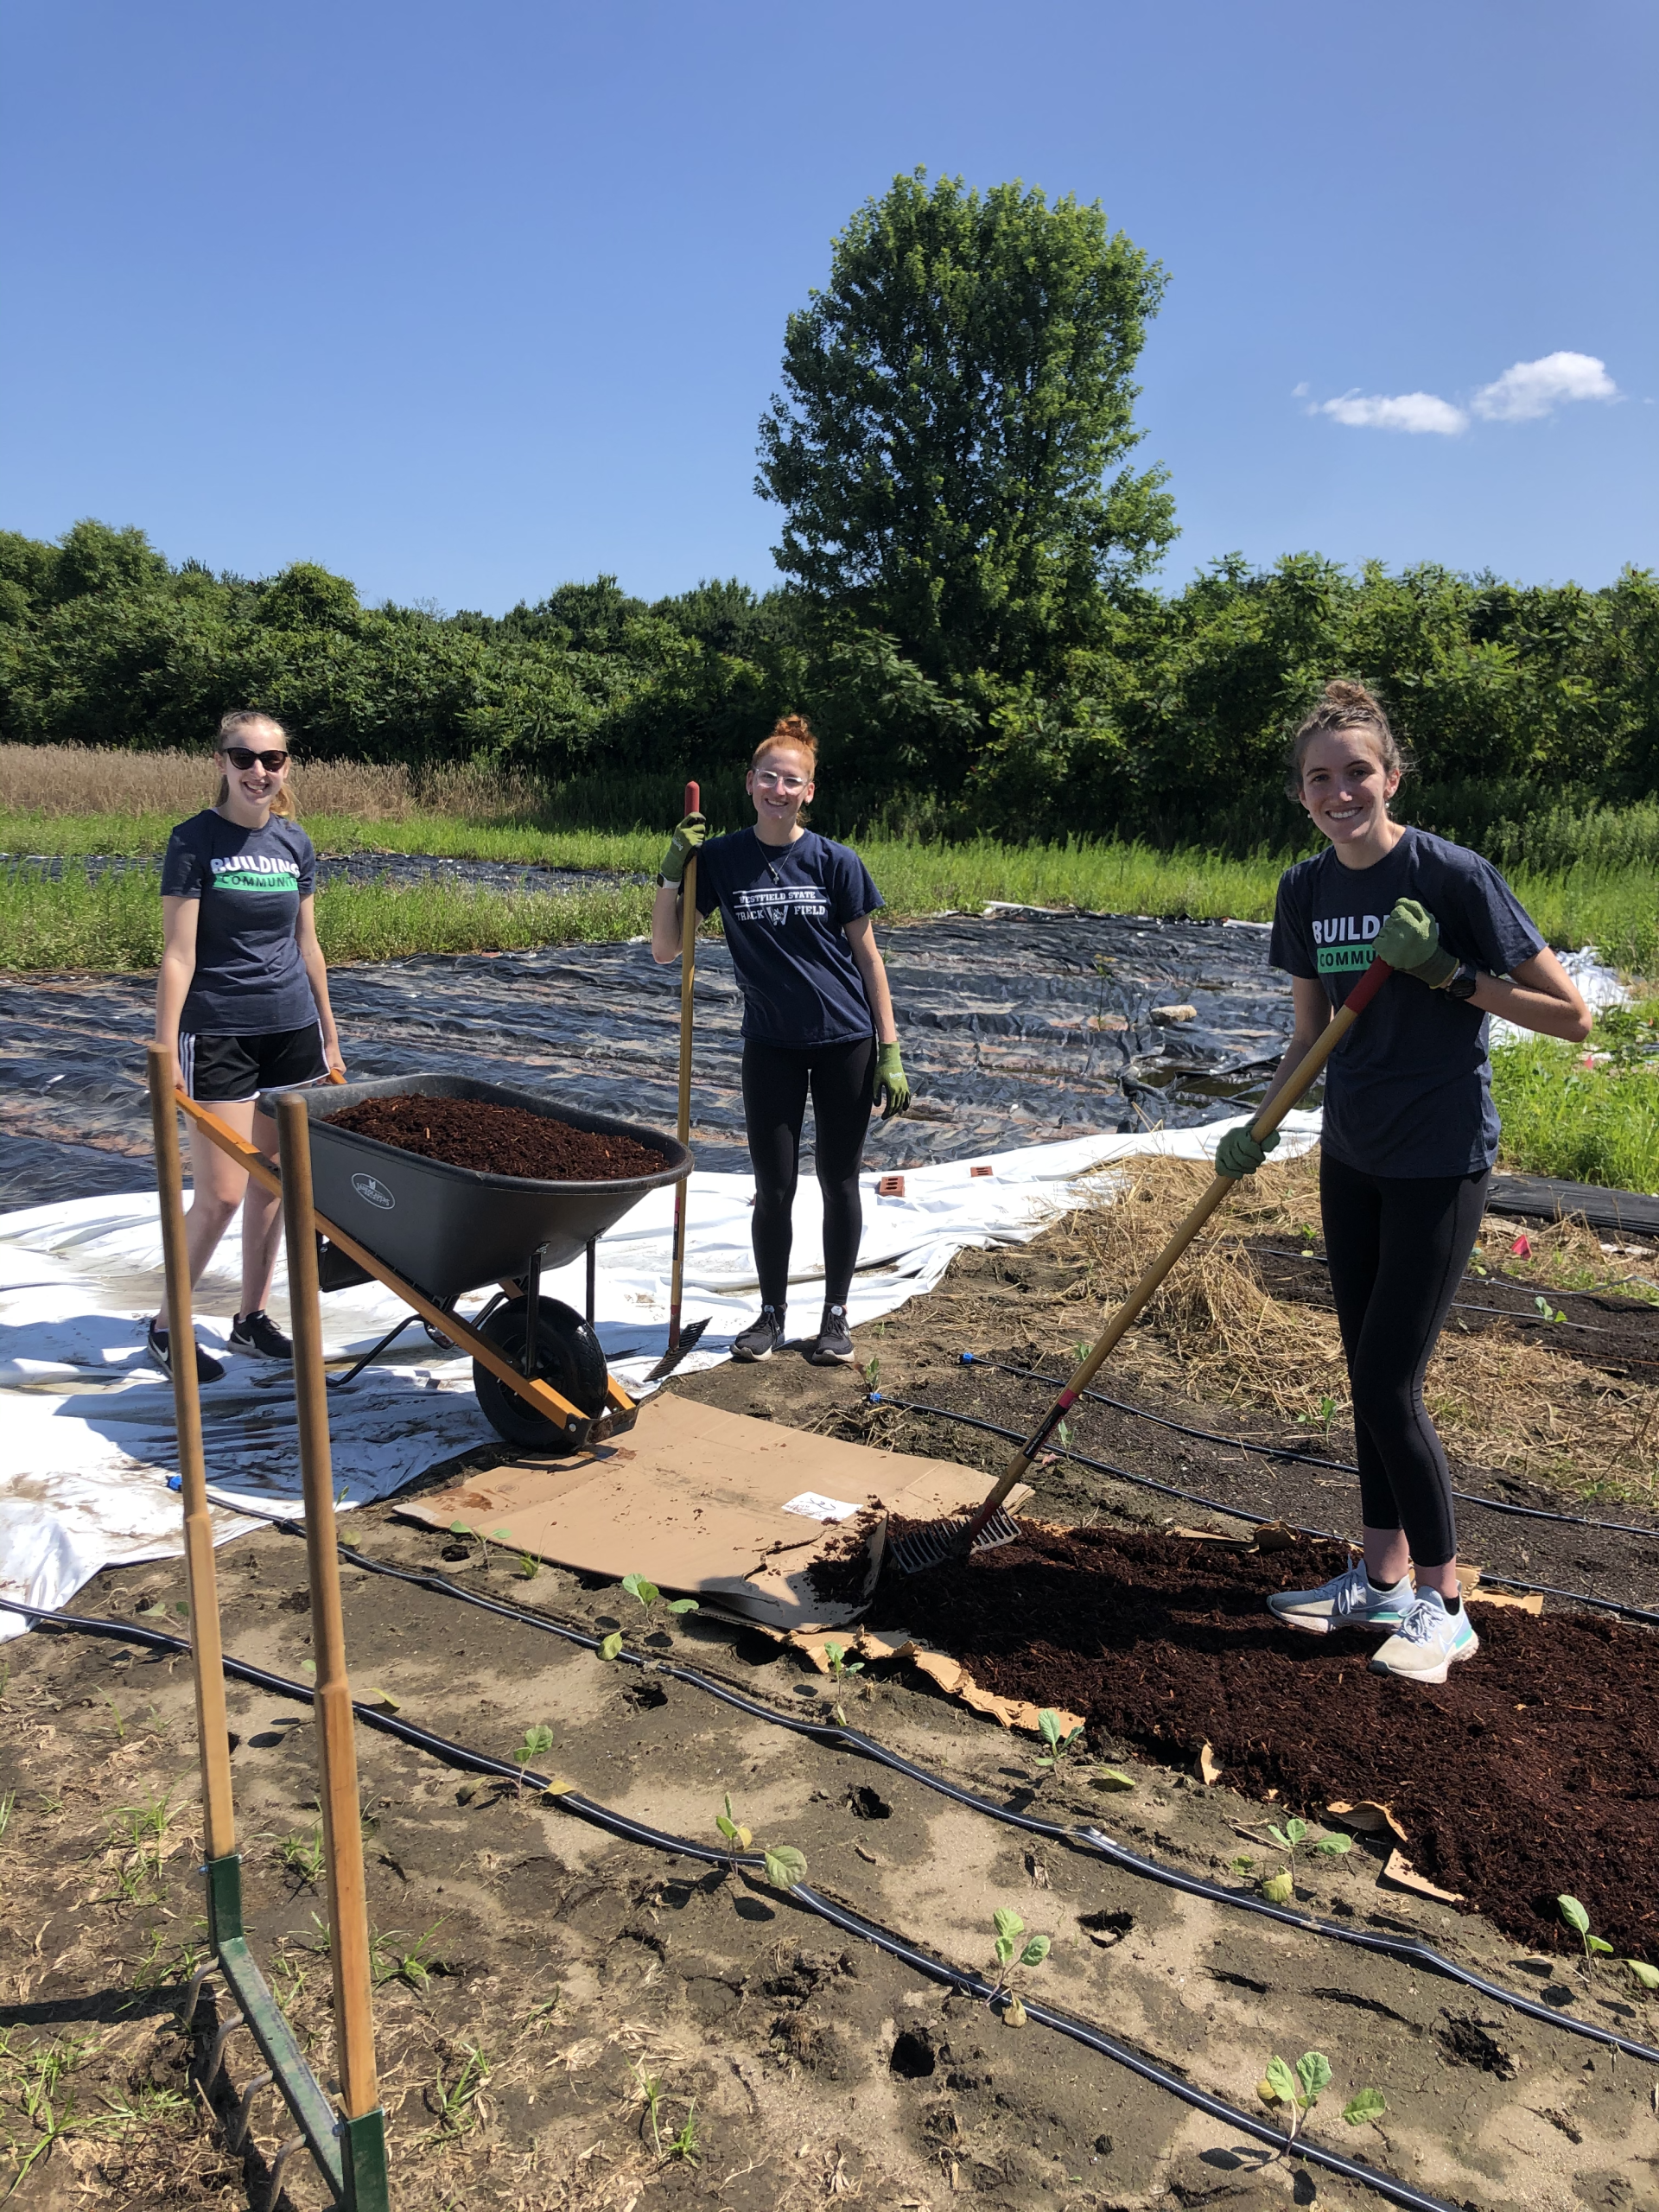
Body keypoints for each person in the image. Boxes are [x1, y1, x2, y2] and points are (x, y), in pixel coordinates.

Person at [1218, 679, 1591, 1683]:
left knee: (1390, 1381)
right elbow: (1308, 1036)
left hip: (1440, 1155)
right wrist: (1257, 1127)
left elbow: (1572, 1016)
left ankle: (1444, 1601)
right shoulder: (1305, 891)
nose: (1341, 792)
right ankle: (1379, 1580)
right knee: (1364, 1373)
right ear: (1301, 793)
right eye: (1319, 778)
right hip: (1355, 1152)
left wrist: (1450, 976)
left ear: (1392, 776)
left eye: (1357, 773)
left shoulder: (1451, 875)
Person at [651, 715, 910, 1366]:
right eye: (768, 776)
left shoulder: (835, 861)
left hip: (844, 1039)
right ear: (750, 783)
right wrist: (669, 872)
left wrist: (890, 1049)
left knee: (839, 1180)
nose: (778, 788)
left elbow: (869, 958)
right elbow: (665, 948)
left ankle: (836, 1315)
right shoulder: (721, 859)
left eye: (791, 780)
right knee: (773, 1186)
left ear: (809, 791)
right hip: (769, 1044)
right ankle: (770, 1314)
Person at [149, 710, 344, 1382]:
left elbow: (307, 945)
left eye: (273, 759)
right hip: (220, 1029)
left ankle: (251, 1319)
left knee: (276, 1185)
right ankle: (166, 1327)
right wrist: (167, 1045)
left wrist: (329, 1031)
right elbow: (178, 954)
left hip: (291, 1031)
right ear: (221, 763)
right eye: (244, 758)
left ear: (287, 765)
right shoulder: (194, 841)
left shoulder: (295, 843)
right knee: (224, 1193)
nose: (259, 771)